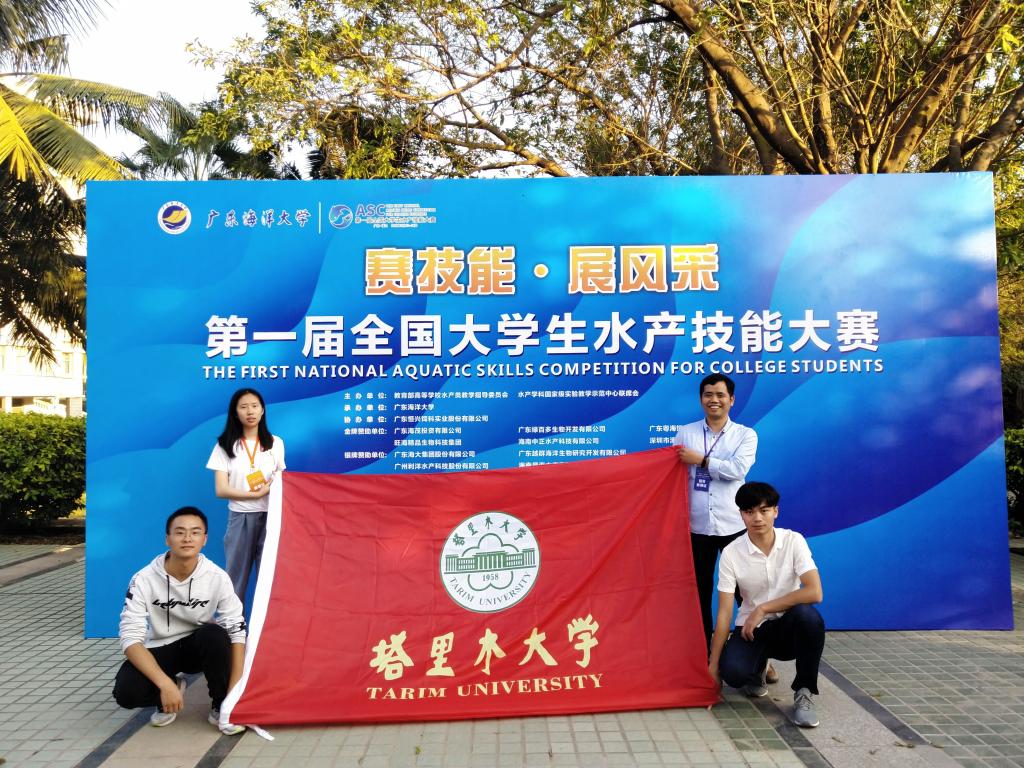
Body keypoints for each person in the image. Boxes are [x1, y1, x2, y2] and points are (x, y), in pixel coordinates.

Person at [113, 507, 247, 734]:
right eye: (180, 532)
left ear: (204, 539)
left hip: (200, 646)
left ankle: (221, 704)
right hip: (162, 647)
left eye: (195, 532)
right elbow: (130, 638)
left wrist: (234, 696)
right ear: (167, 539)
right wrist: (164, 684)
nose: (187, 538)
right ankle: (173, 687)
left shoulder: (217, 577)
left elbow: (237, 632)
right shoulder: (143, 579)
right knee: (126, 693)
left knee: (216, 635)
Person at [708, 482, 825, 728]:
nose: (757, 518)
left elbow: (814, 591)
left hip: (788, 628)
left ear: (776, 511)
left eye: (764, 510)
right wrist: (713, 667)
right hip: (752, 629)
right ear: (741, 514)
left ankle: (804, 692)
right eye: (749, 512)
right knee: (734, 675)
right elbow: (725, 614)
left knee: (809, 618)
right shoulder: (731, 553)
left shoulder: (793, 541)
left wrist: (763, 608)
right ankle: (757, 668)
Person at [673, 373, 758, 651]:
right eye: (708, 394)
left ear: (731, 400)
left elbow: (737, 470)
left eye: (720, 395)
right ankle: (704, 651)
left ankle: (754, 651)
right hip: (697, 526)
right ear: (701, 399)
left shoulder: (745, 435)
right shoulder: (685, 433)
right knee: (699, 590)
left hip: (733, 524)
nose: (714, 400)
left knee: (743, 589)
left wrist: (702, 460)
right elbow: (672, 476)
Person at [207, 388, 285, 605]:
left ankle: (266, 626)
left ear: (262, 410)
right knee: (235, 578)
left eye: (254, 406)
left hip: (271, 517)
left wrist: (268, 491)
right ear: (235, 412)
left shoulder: (276, 443)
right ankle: (233, 625)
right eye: (243, 407)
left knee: (269, 579)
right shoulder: (225, 445)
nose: (250, 411)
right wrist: (255, 494)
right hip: (240, 518)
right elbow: (221, 490)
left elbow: (282, 480)